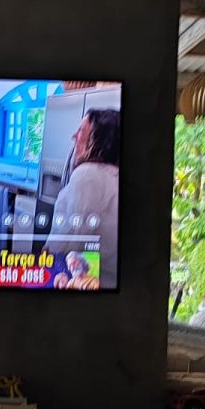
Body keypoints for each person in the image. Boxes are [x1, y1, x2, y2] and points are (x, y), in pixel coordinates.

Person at [45, 108, 119, 288]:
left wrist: (46, 257)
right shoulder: (113, 174)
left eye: (82, 131)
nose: (74, 136)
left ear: (99, 140)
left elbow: (72, 242)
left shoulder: (88, 175)